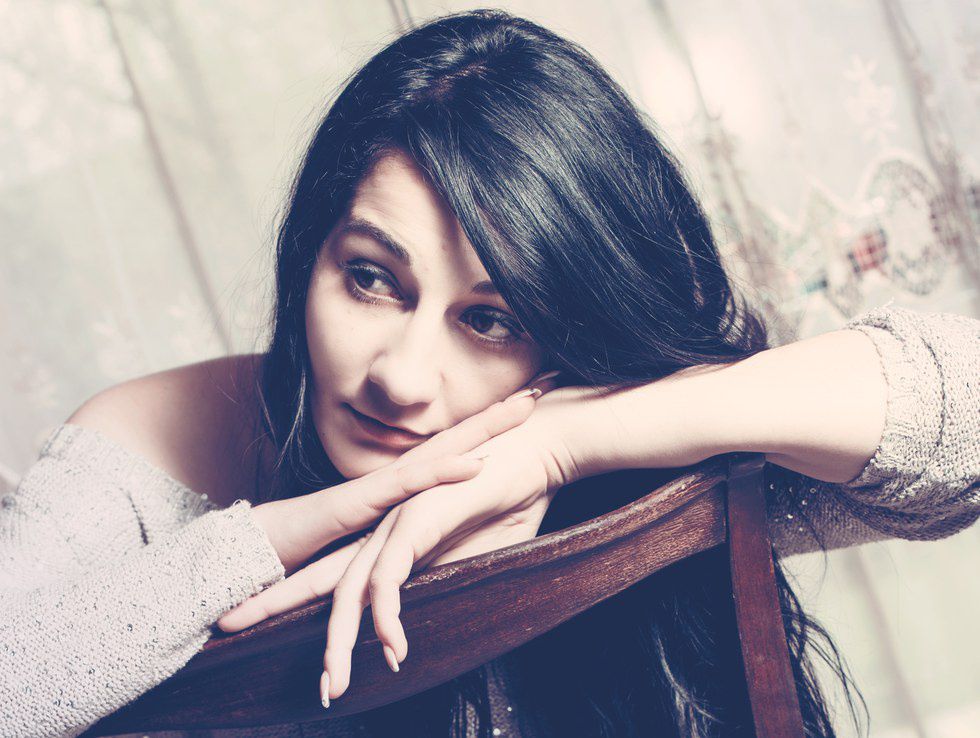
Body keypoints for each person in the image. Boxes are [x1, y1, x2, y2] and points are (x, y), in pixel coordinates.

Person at [2, 8, 977, 738]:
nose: (401, 378)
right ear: (310, 255)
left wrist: (563, 446)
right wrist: (274, 540)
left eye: (490, 319)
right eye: (371, 278)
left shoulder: (619, 440)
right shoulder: (158, 440)